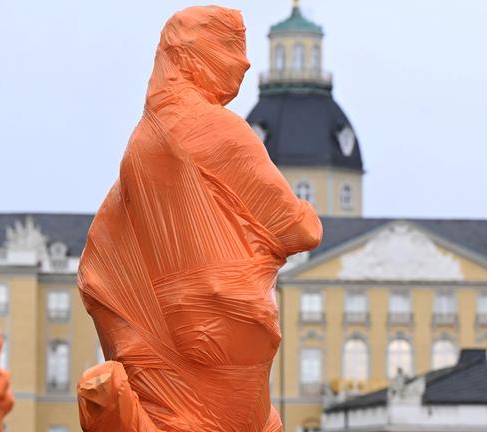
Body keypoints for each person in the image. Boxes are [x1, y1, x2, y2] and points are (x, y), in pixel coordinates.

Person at [76, 6, 322, 431]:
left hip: (155, 335)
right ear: (194, 55)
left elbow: (105, 250)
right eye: (230, 47)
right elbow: (298, 229)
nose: (244, 63)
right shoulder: (218, 130)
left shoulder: (141, 143)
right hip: (225, 332)